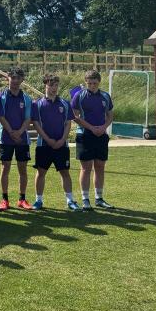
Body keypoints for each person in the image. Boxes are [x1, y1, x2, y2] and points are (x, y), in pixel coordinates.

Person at [31, 74, 80, 211]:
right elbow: (36, 124)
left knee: (65, 172)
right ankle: (38, 201)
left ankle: (70, 200)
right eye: (51, 85)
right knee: (41, 172)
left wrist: (62, 140)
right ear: (45, 85)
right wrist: (48, 140)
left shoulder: (65, 103)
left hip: (61, 145)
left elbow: (68, 123)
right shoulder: (37, 104)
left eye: (56, 85)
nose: (54, 88)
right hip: (43, 145)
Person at [71, 69, 115, 211]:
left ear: (99, 82)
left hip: (101, 135)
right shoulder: (79, 95)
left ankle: (99, 198)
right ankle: (85, 199)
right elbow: (75, 117)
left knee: (100, 167)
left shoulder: (105, 96)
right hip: (85, 135)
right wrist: (91, 128)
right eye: (89, 83)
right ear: (86, 82)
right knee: (86, 168)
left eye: (94, 83)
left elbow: (110, 115)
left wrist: (103, 127)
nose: (92, 86)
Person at [0, 67, 33, 211]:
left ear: (22, 80)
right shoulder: (1, 98)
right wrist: (11, 132)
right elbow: (1, 116)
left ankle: (22, 199)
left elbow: (28, 118)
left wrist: (19, 132)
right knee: (5, 168)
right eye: (13, 78)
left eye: (18, 78)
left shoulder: (27, 99)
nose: (15, 81)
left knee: (23, 169)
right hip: (5, 138)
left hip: (22, 139)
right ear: (8, 78)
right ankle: (4, 199)